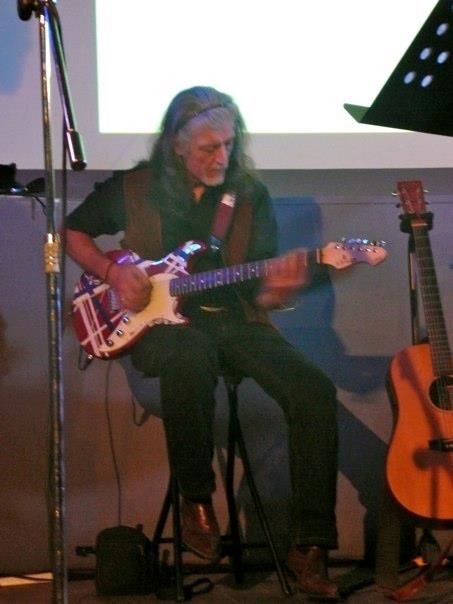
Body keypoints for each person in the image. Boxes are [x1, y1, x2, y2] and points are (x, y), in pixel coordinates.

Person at [65, 86, 340, 600]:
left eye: (229, 145)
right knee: (189, 355)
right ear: (176, 145)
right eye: (209, 148)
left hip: (233, 321)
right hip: (159, 327)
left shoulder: (248, 196)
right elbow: (73, 231)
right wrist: (112, 271)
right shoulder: (135, 187)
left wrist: (280, 289)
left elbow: (258, 289)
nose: (223, 157)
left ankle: (311, 545)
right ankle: (196, 500)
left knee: (314, 390)